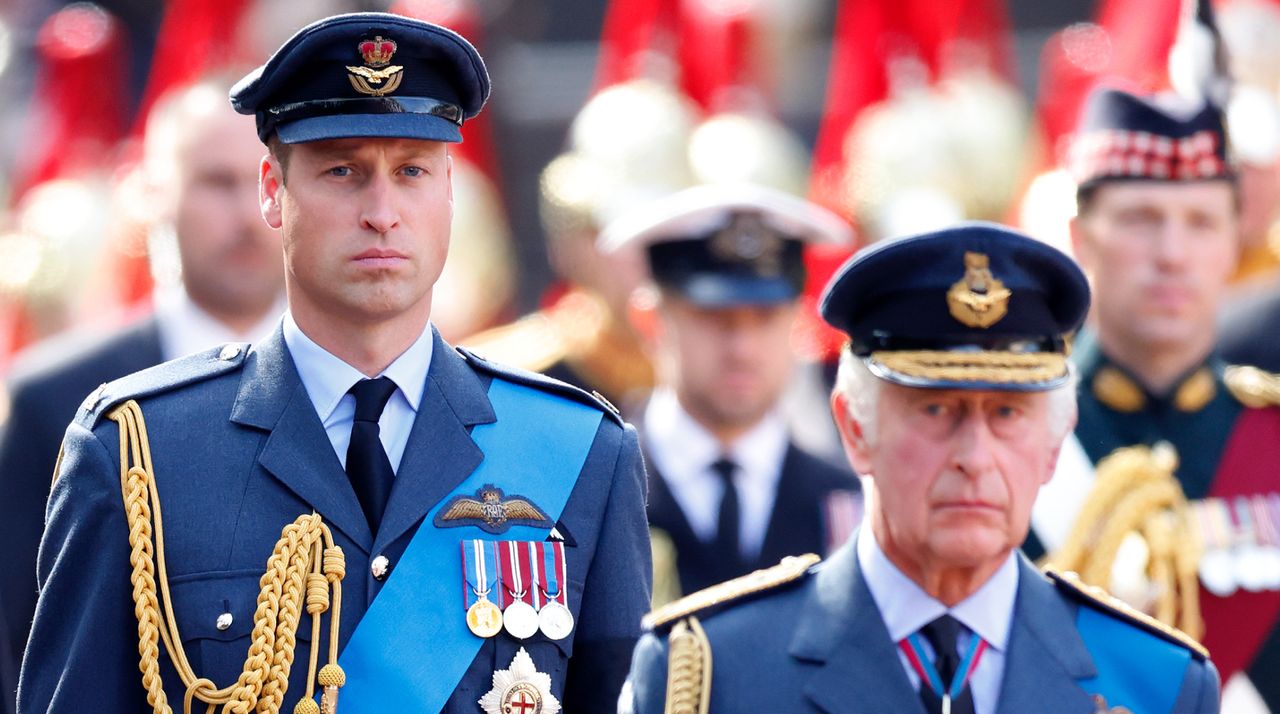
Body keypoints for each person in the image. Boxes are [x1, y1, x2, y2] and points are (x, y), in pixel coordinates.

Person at [17, 13, 649, 713]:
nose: (382, 211)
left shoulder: (578, 452)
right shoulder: (140, 455)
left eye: (411, 171)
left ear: (448, 193)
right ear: (271, 190)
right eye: (343, 171)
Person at [623, 222, 1220, 713]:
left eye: (1008, 414)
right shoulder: (710, 674)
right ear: (856, 429)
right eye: (936, 409)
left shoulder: (1156, 683)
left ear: (1055, 444)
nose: (974, 457)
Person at [0, 76, 285, 712]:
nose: (247, 214)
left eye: (265, 181)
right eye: (216, 182)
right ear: (152, 194)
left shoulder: (362, 387)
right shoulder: (55, 400)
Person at [1028, 85, 1280, 709]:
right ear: (1080, 233)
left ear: (1235, 242)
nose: (1172, 255)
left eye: (1200, 223)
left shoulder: (1271, 436)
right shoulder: (1011, 429)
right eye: (1141, 219)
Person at [600, 184, 861, 604]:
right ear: (650, 320)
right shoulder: (597, 487)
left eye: (764, 318)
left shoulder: (849, 504)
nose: (743, 348)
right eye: (714, 317)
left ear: (798, 321)